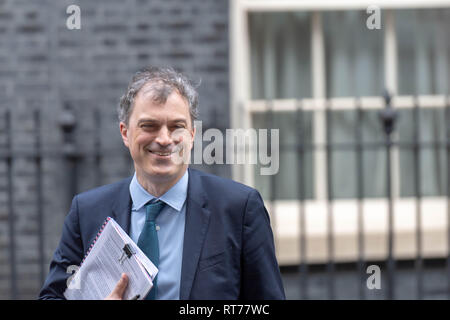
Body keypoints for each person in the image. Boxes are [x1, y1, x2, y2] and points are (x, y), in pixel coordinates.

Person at [38, 66, 285, 300]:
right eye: (150, 126)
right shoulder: (87, 212)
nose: (165, 139)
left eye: (176, 126)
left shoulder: (239, 209)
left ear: (192, 134)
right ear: (125, 132)